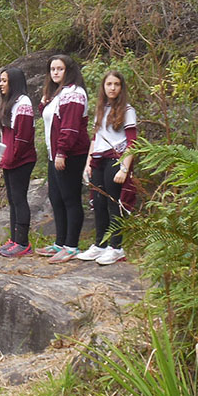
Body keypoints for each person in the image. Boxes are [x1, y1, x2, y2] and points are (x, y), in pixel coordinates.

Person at [78, 71, 137, 266]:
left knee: (115, 204)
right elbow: (96, 138)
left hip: (115, 160)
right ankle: (100, 245)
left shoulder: (127, 110)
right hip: (98, 160)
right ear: (103, 87)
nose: (112, 87)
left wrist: (124, 169)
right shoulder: (101, 109)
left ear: (121, 87)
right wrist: (88, 163)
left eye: (116, 84)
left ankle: (116, 247)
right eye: (109, 84)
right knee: (99, 203)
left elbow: (132, 143)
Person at [36, 55, 90, 264]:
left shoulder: (75, 93)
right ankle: (60, 242)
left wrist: (62, 151)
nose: (56, 72)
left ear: (69, 70)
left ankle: (71, 245)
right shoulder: (59, 93)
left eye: (60, 69)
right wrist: (44, 104)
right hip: (55, 153)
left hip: (70, 154)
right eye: (52, 69)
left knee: (70, 198)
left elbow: (70, 126)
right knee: (56, 198)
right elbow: (51, 119)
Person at [0, 68, 37, 258]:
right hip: (9, 160)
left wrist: (11, 158)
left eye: (4, 81)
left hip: (21, 160)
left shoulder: (23, 103)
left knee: (19, 200)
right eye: (0, 80)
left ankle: (23, 242)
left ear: (14, 82)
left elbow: (23, 138)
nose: (1, 84)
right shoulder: (9, 103)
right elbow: (5, 136)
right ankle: (13, 240)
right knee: (12, 200)